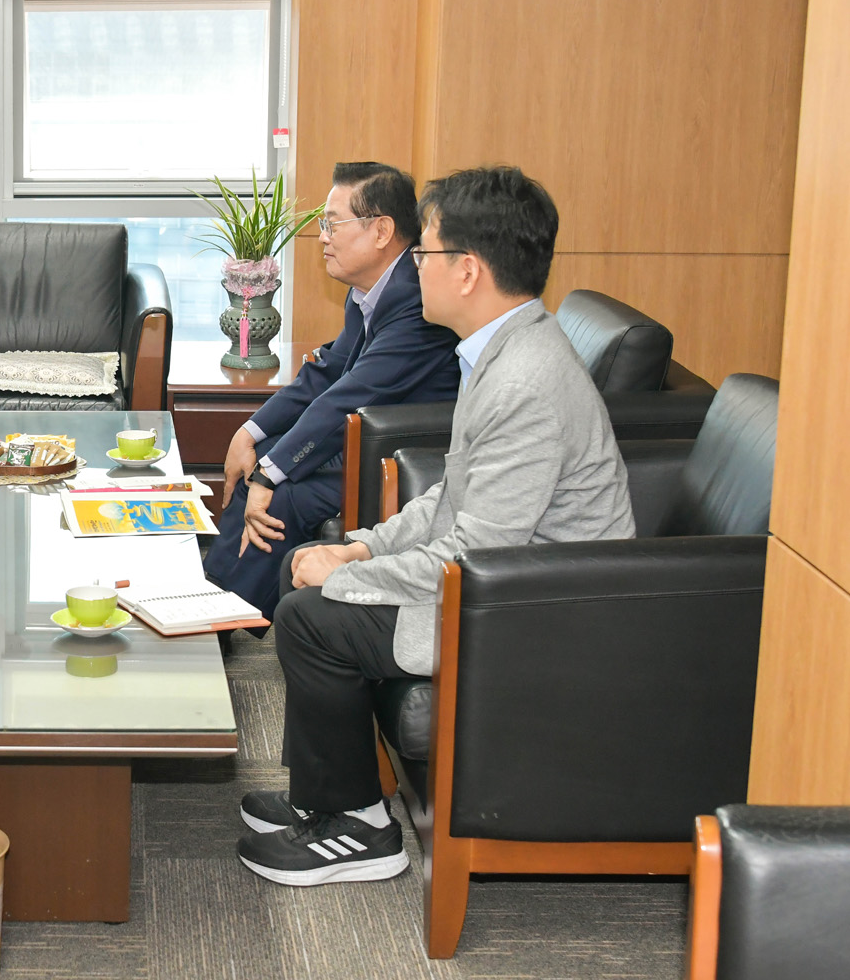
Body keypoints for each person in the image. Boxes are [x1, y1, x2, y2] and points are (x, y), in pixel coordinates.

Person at [236, 166, 635, 887]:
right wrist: (360, 546)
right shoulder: (501, 350)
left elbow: (477, 552)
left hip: (537, 614)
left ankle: (362, 827)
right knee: (313, 579)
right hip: (504, 585)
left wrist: (350, 574)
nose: (414, 265)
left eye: (425, 252)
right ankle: (325, 798)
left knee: (310, 615)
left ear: (468, 270)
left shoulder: (524, 382)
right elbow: (451, 496)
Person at [202, 162, 460, 619]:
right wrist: (250, 431)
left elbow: (353, 393)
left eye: (332, 224)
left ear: (381, 230)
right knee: (264, 460)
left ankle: (221, 618)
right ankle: (212, 604)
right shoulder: (373, 288)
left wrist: (269, 475)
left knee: (280, 493)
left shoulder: (415, 297)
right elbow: (327, 373)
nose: (322, 237)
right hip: (365, 439)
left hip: (405, 453)